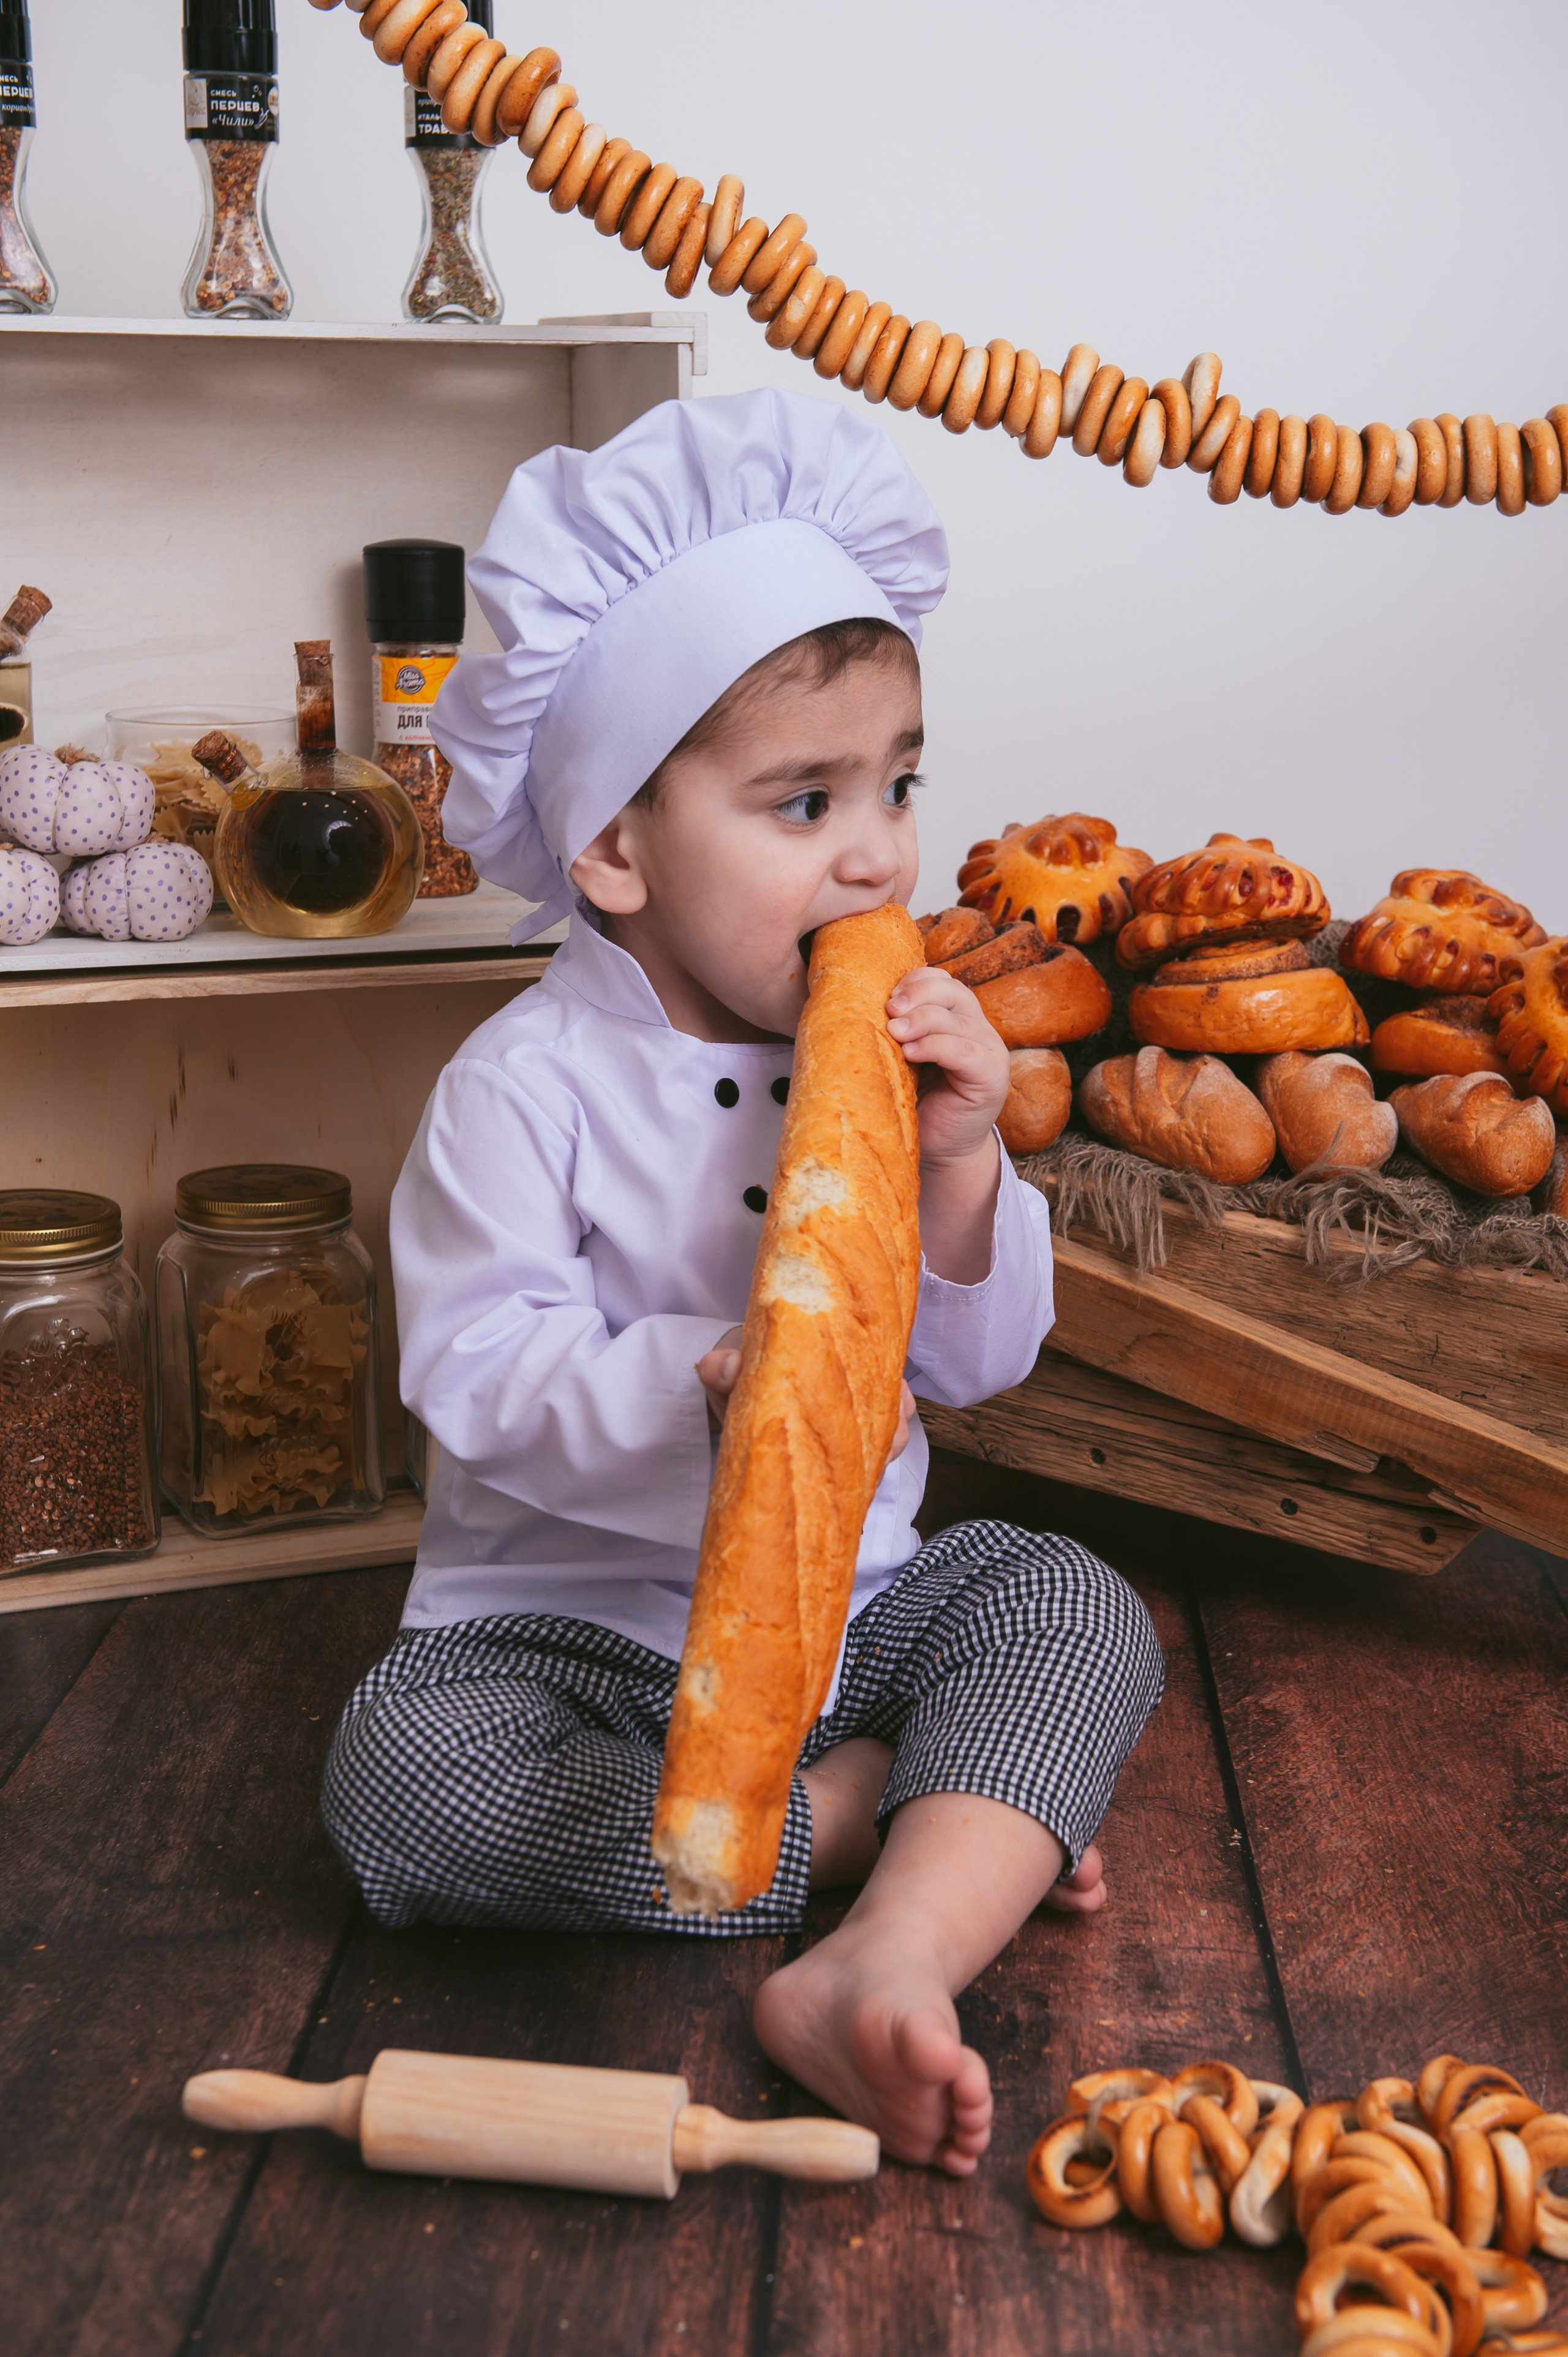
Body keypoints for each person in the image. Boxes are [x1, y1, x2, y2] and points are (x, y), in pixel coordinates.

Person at [323, 390, 1164, 2175]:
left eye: (898, 785)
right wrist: (702, 1381)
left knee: (1071, 1600)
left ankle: (885, 1955)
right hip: (575, 1647)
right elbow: (475, 1366)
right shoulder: (522, 1087)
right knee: (404, 1788)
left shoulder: (887, 1057)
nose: (879, 855)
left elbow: (978, 1363)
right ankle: (889, 1832)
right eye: (805, 801)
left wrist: (960, 1159)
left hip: (863, 1614)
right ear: (615, 850)